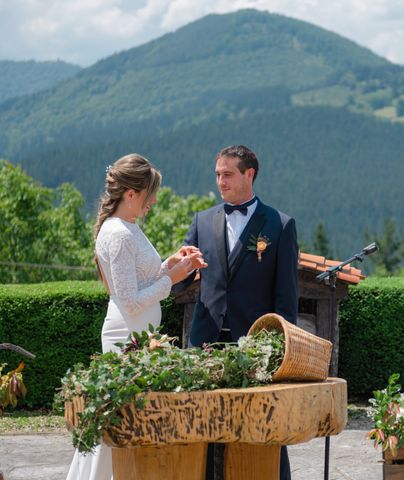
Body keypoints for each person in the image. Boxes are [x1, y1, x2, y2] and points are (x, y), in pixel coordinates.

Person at [66, 153, 207, 480]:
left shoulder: (128, 227)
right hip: (125, 334)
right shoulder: (117, 234)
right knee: (119, 419)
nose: (154, 200)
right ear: (131, 193)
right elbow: (129, 300)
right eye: (149, 194)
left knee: (127, 418)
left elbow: (141, 280)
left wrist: (171, 265)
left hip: (139, 334)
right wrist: (169, 281)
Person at [178, 144, 298, 480]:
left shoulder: (280, 225)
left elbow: (286, 298)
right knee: (204, 424)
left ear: (249, 174)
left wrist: (278, 352)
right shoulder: (202, 220)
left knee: (264, 426)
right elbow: (179, 281)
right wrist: (179, 267)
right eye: (217, 174)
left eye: (228, 174)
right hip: (206, 343)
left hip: (256, 346)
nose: (220, 181)